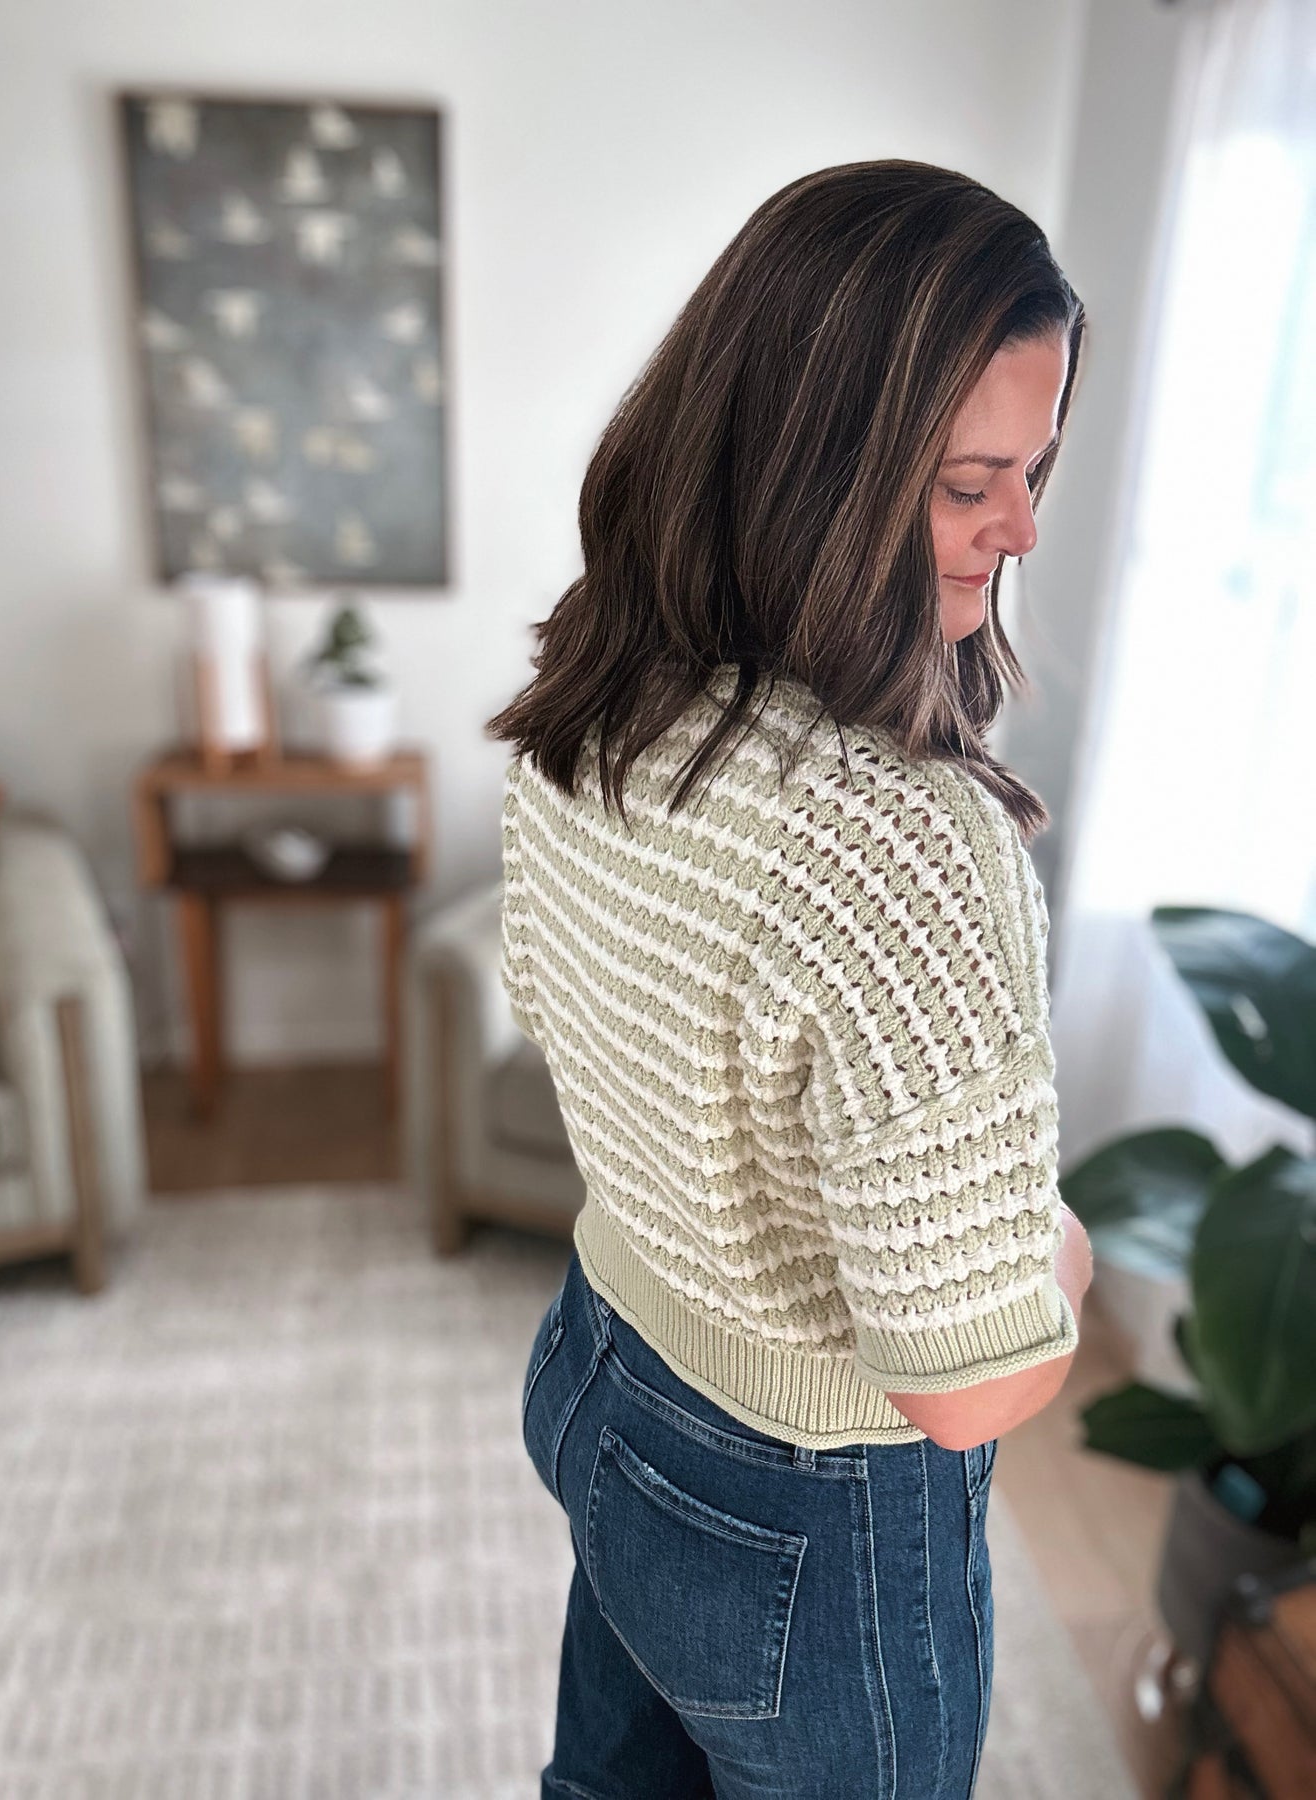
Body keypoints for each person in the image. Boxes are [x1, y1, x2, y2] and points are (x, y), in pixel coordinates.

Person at [486, 159, 1097, 1800]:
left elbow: (565, 1019)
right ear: (817, 464)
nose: (1022, 529)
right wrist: (1063, 1249)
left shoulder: (595, 691)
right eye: (970, 482)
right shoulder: (900, 843)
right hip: (796, 1519)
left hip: (600, 1374)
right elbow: (968, 1386)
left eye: (1034, 469)